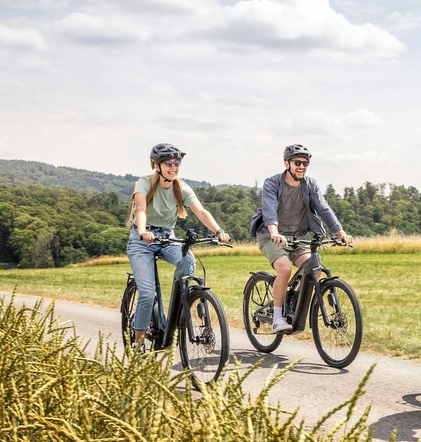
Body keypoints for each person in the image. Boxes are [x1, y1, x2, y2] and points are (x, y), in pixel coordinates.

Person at [127, 143, 230, 348]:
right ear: (156, 166)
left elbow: (201, 211)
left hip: (168, 237)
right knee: (147, 294)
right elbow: (140, 208)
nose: (173, 167)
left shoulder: (180, 187)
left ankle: (175, 312)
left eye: (176, 163)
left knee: (187, 261)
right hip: (142, 240)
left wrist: (218, 231)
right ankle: (137, 345)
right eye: (168, 163)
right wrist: (142, 230)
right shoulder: (144, 183)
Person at [248, 144, 351, 333]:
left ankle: (291, 300)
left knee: (315, 270)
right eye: (297, 162)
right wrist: (274, 232)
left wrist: (340, 233)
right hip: (271, 236)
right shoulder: (272, 183)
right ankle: (278, 318)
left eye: (305, 163)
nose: (301, 166)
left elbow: (323, 208)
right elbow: (270, 211)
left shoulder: (310, 185)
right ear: (287, 163)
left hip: (297, 238)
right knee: (285, 269)